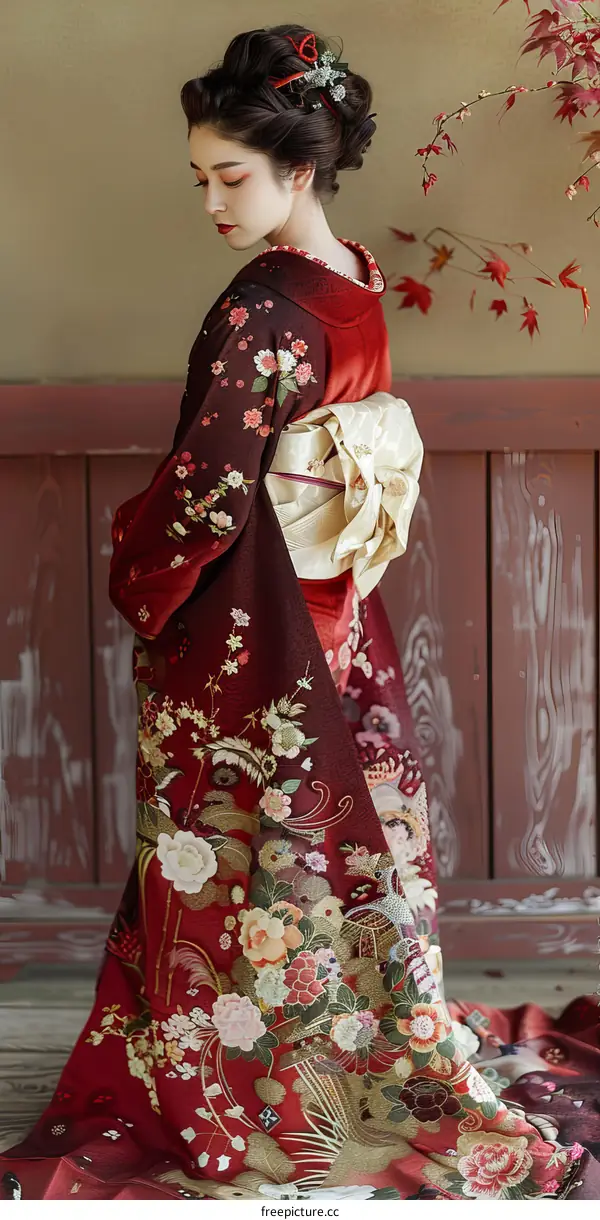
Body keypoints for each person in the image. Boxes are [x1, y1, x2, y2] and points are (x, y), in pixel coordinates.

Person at [1, 23, 598, 1202]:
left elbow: (206, 497)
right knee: (320, 848)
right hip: (336, 616)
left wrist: (139, 567)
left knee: (239, 859)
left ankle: (258, 1072)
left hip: (248, 629)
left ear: (300, 169)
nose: (214, 201)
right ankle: (322, 1044)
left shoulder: (261, 313)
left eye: (232, 177)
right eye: (202, 178)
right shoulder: (355, 282)